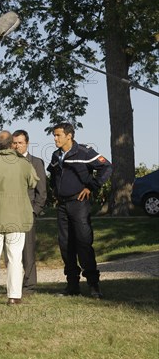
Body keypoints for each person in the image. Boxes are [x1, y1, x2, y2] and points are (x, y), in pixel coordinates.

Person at [47, 123, 112, 298]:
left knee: (83, 243)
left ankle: (93, 285)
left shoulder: (84, 152)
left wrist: (92, 186)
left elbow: (107, 167)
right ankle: (72, 286)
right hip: (62, 206)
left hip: (79, 204)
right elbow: (53, 174)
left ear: (69, 136)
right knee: (65, 245)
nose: (55, 138)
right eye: (54, 135)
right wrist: (55, 190)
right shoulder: (56, 155)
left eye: (58, 135)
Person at [0, 131, 39, 307]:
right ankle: (14, 296)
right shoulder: (23, 164)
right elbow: (33, 182)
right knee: (15, 258)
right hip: (17, 217)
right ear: (12, 144)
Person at [12, 130, 47, 294]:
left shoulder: (36, 163)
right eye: (15, 143)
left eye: (20, 142)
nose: (17, 145)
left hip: (28, 213)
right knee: (12, 252)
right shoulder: (8, 162)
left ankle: (30, 285)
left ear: (27, 143)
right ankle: (15, 284)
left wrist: (35, 211)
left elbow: (42, 191)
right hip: (10, 214)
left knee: (28, 251)